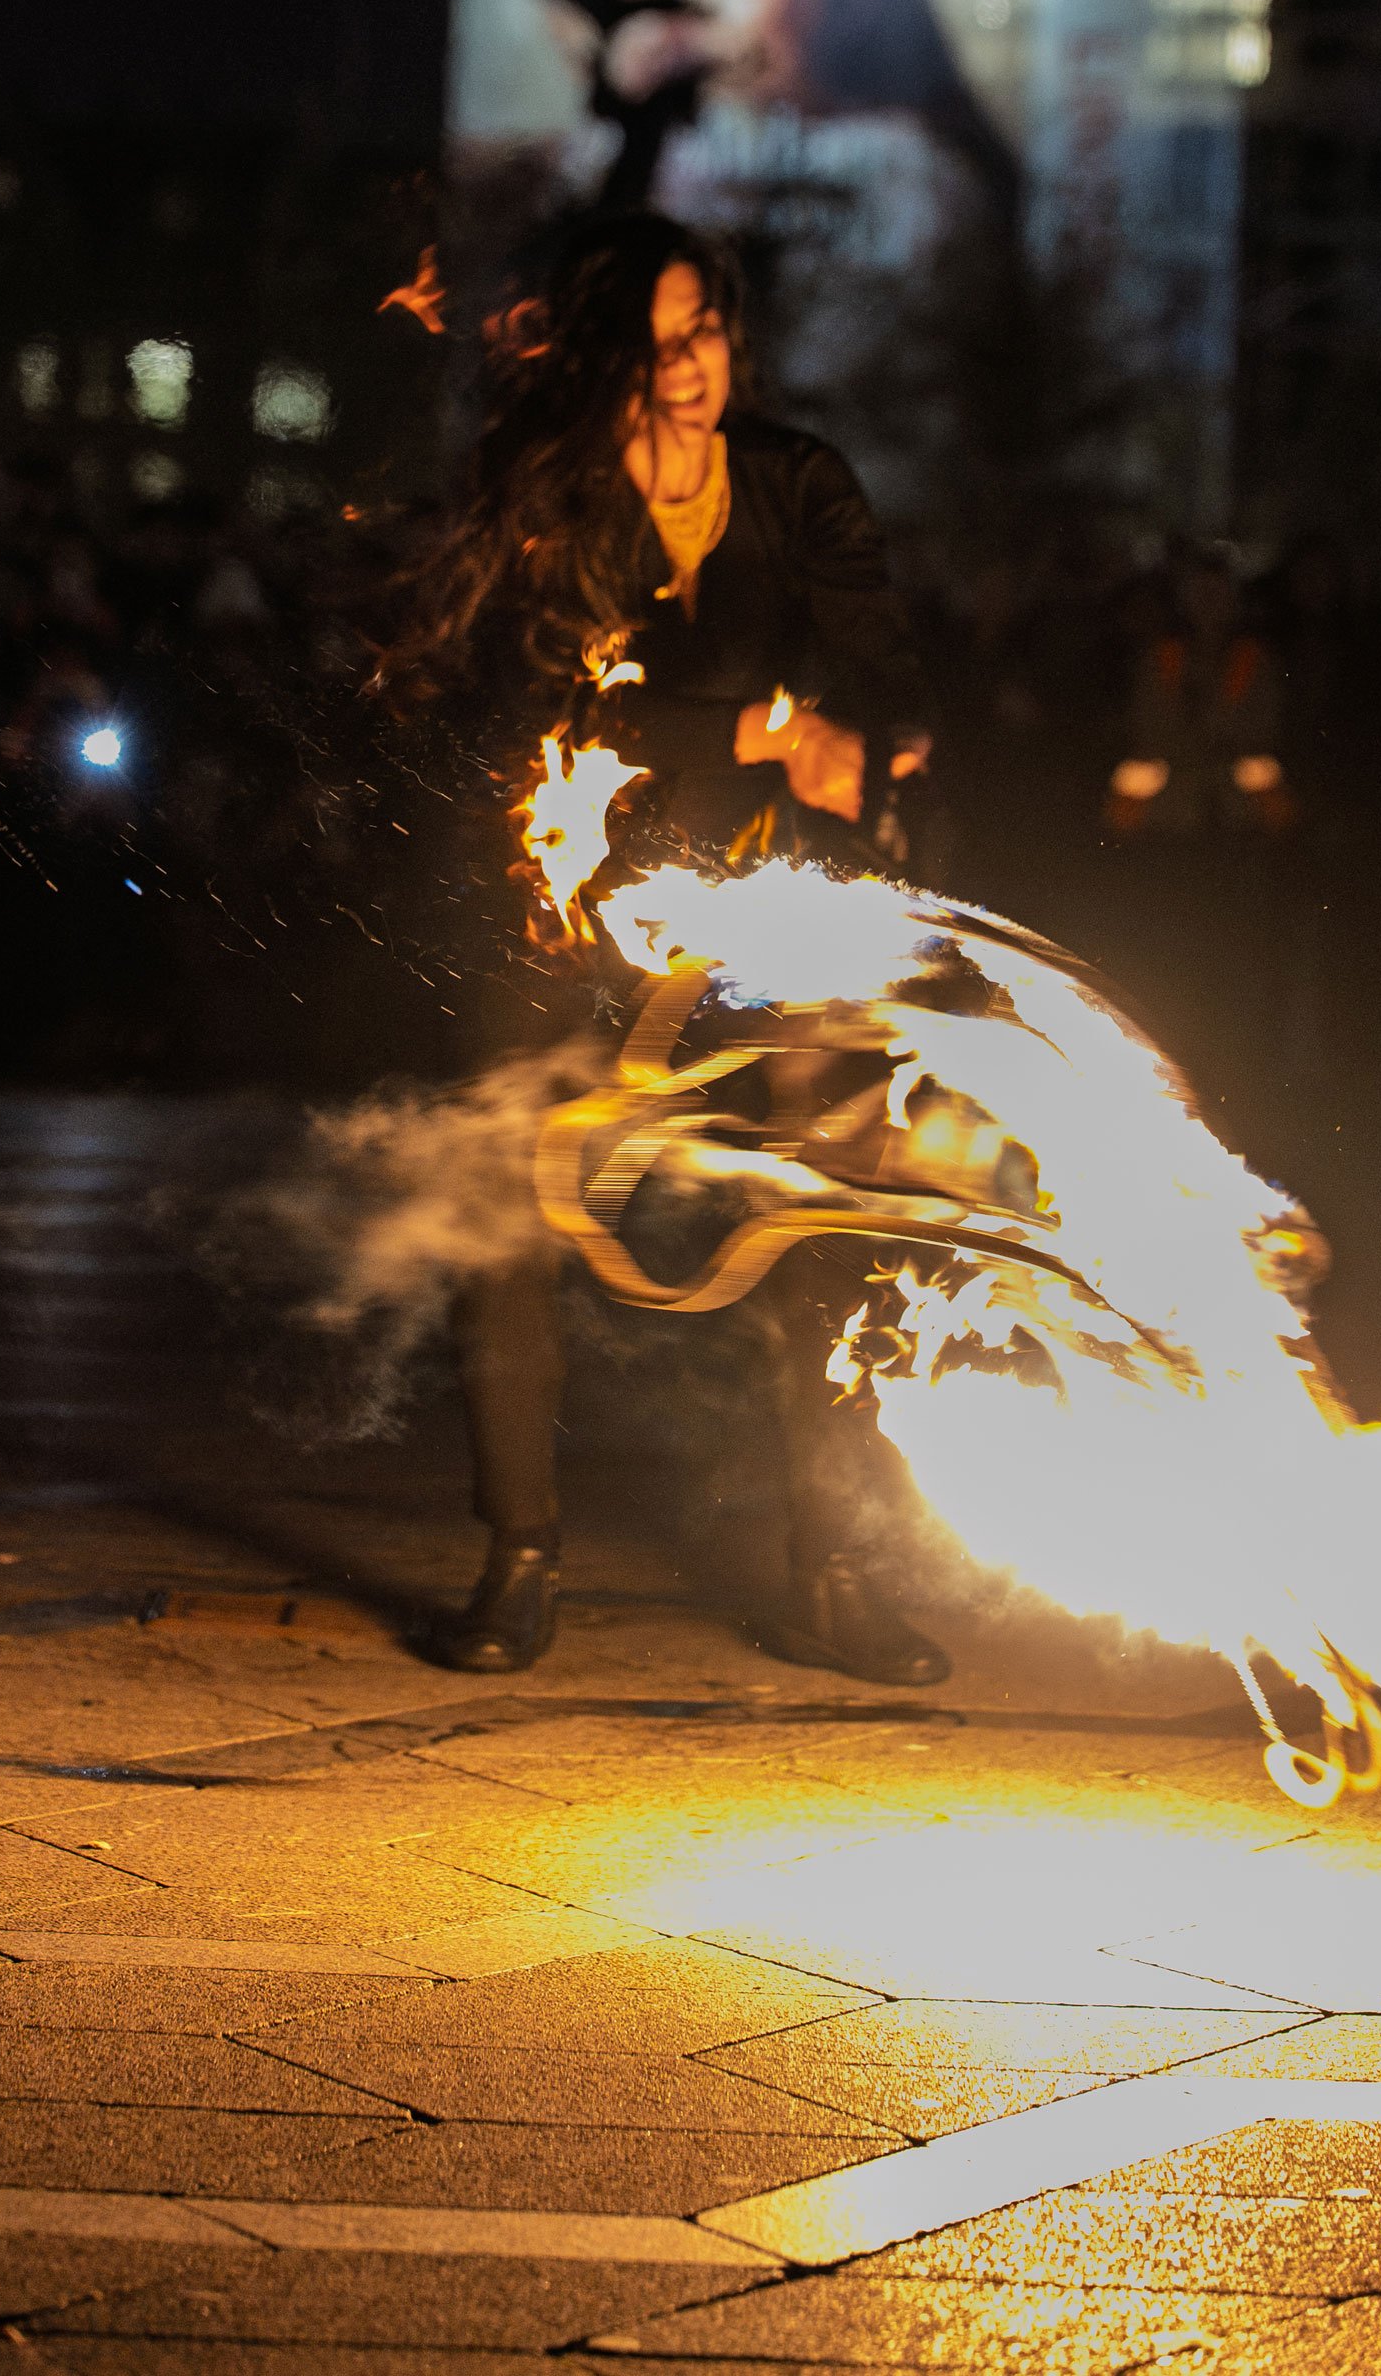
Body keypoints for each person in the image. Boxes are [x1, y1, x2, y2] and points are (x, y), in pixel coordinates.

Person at [385, 209, 946, 1684]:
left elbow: (877, 651)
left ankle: (832, 1570)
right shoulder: (543, 494)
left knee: (824, 1200)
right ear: (596, 352)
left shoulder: (796, 476)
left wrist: (878, 744)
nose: (688, 364)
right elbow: (536, 710)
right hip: (565, 896)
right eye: (655, 339)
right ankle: (517, 1558)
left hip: (765, 889)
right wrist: (761, 728)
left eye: (703, 329)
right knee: (509, 1208)